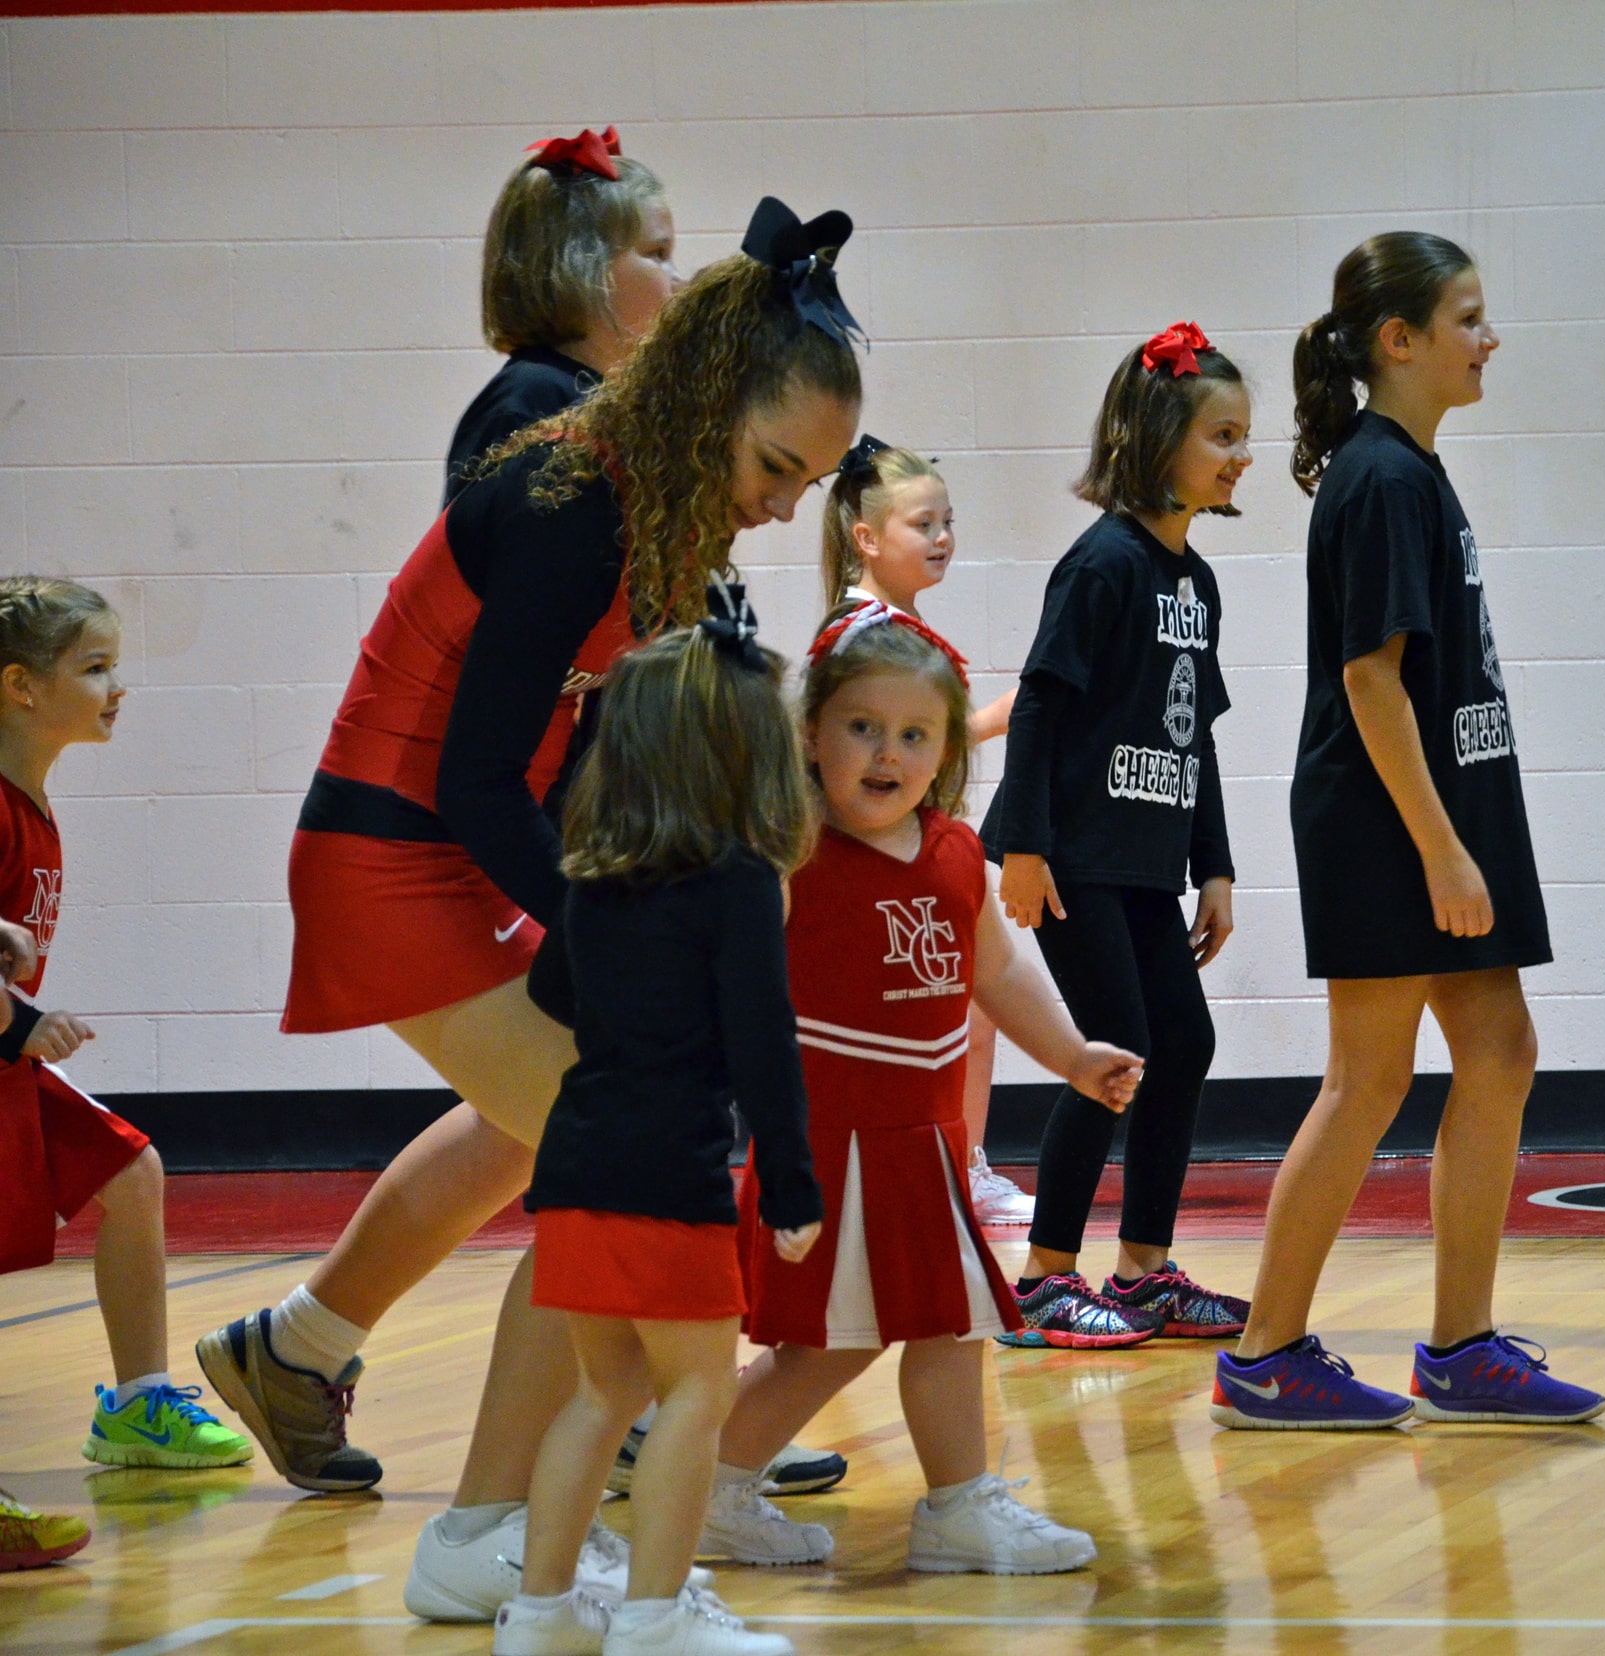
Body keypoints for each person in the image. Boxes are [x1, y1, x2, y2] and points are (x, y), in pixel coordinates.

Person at [194, 197, 864, 1623]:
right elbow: (475, 772)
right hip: (395, 852)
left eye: (811, 482)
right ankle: (487, 1528)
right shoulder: (576, 500)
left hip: (456, 844)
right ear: (709, 404)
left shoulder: (654, 504)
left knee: (556, 1143)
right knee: (603, 1138)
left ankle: (421, 1442)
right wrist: (607, 937)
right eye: (777, 466)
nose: (787, 504)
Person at [1212, 234, 1605, 1429]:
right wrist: (1439, 846)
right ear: (1399, 340)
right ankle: (1263, 1353)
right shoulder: (1377, 477)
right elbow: (1370, 682)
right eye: (1468, 318)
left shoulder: (1413, 469)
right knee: (1370, 1076)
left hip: (1444, 806)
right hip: (1386, 817)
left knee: (1499, 1052)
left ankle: (1461, 1347)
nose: (1489, 340)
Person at [697, 599, 1135, 1573]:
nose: (885, 753)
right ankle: (716, 1492)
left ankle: (952, 1505)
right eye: (862, 727)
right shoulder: (787, 853)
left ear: (945, 752)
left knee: (948, 1323)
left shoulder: (954, 856)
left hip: (924, 1148)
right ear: (810, 735)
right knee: (831, 1348)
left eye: (913, 734)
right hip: (830, 1147)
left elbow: (1003, 976)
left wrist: (1069, 1054)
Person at [491, 598, 820, 1656]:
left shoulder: (595, 880)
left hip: (577, 1159)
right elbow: (766, 1044)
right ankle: (654, 1617)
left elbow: (550, 990)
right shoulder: (738, 885)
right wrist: (797, 1187)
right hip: (666, 1171)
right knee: (696, 1394)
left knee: (601, 1391)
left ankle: (539, 1615)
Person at [980, 323, 1251, 1347]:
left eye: (1242, 437)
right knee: (1117, 1052)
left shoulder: (1197, 583)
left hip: (1144, 858)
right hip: (1073, 855)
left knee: (1183, 1040)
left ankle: (1141, 1270)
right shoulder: (1100, 565)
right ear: (1155, 440)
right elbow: (1042, 706)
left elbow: (1200, 735)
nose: (1240, 456)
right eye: (1221, 434)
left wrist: (1215, 866)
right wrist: (1025, 848)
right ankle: (1045, 1278)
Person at [0, 579, 251, 1568]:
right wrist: (22, 1019)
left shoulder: (33, 798)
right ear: (20, 686)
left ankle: (139, 1411)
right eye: (94, 668)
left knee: (131, 1173)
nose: (118, 687)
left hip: (8, 1056)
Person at [822, 438, 1028, 1225]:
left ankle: (962, 1163)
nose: (942, 537)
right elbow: (870, 757)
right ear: (867, 537)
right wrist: (990, 722)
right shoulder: (864, 633)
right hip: (876, 859)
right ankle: (937, 1168)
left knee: (969, 1013)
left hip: (916, 850)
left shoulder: (900, 626)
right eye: (922, 523)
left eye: (948, 521)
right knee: (939, 1017)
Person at [448, 126, 680, 500]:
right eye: (657, 254)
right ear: (587, 267)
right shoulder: (527, 403)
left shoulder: (588, 391)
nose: (677, 281)